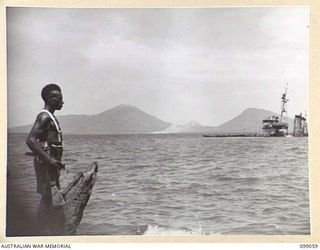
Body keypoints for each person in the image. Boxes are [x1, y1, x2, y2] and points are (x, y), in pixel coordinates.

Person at [26, 84, 66, 235]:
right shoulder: (44, 117)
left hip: (51, 166)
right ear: (50, 99)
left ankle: (45, 232)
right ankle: (37, 234)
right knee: (47, 199)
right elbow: (30, 140)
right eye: (59, 99)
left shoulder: (51, 117)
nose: (63, 102)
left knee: (49, 199)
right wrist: (50, 161)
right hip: (46, 165)